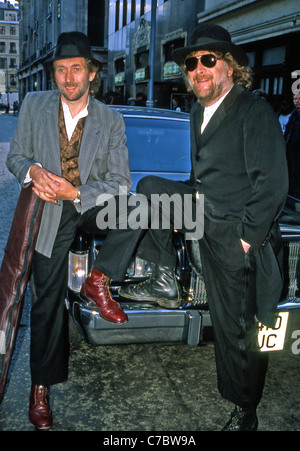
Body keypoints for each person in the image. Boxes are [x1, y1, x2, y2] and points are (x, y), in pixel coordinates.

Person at [117, 24, 289, 430]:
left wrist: (245, 240)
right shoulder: (197, 113)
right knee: (151, 188)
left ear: (229, 66)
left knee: (234, 330)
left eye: (208, 60)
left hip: (234, 239)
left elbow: (272, 184)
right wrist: (179, 212)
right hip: (203, 220)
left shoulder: (252, 109)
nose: (198, 69)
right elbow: (204, 179)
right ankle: (162, 277)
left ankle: (246, 412)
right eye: (191, 63)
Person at [6, 31, 137, 430]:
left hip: (89, 203)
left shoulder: (111, 120)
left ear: (92, 74)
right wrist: (31, 172)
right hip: (50, 211)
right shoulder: (34, 105)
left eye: (76, 69)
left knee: (141, 205)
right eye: (61, 70)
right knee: (45, 300)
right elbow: (15, 157)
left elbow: (119, 182)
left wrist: (76, 190)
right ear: (54, 75)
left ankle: (99, 280)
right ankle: (40, 387)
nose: (68, 78)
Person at [284, 92, 300, 198]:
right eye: (295, 99)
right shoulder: (294, 113)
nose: (296, 101)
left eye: (299, 99)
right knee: (290, 169)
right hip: (290, 147)